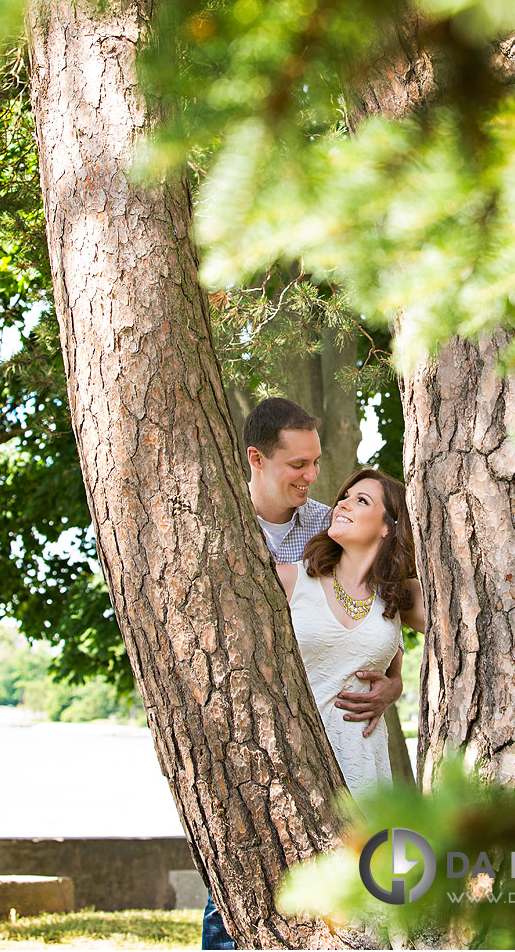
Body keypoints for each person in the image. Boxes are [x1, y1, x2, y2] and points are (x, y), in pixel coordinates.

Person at [202, 399, 411, 949]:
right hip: (250, 743)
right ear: (257, 459)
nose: (314, 477)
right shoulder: (224, 528)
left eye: (317, 463)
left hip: (349, 751)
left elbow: (378, 621)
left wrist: (393, 682)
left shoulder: (328, 525)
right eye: (299, 465)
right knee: (241, 899)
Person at [276, 467, 424, 800]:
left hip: (365, 766)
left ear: (388, 526)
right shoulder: (290, 580)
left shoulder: (397, 597)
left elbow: (470, 618)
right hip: (297, 763)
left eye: (360, 500)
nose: (342, 504)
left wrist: (395, 687)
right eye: (343, 497)